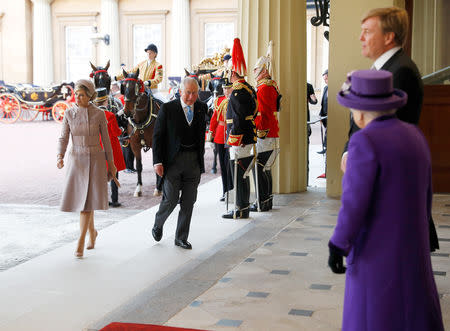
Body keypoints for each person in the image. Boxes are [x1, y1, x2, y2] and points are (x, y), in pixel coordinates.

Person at [328, 69, 444, 331]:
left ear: (359, 112)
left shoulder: (363, 141)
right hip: (413, 249)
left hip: (375, 253)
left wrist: (338, 243)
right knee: (411, 315)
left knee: (375, 317)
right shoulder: (415, 135)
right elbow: (427, 194)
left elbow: (354, 203)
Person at [340, 6, 438, 252]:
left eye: (367, 31)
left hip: (390, 183)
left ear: (388, 36)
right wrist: (347, 152)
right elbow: (361, 121)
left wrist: (356, 154)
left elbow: (386, 130)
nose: (361, 38)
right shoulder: (382, 69)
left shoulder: (400, 70)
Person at [57, 79, 117, 258]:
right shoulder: (68, 113)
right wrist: (59, 156)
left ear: (90, 96)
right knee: (85, 201)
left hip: (95, 160)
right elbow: (63, 138)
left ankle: (80, 242)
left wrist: (111, 164)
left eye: (82, 95)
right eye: (76, 94)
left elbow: (106, 141)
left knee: (86, 203)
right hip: (76, 160)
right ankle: (92, 232)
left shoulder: (99, 114)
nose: (77, 98)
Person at [150, 77, 207, 250]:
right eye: (188, 93)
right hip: (173, 161)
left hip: (193, 162)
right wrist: (157, 161)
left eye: (194, 93)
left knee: (189, 202)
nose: (191, 97)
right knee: (171, 199)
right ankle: (158, 224)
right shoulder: (168, 109)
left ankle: (181, 237)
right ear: (180, 91)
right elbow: (157, 137)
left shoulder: (201, 108)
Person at [222, 38, 257, 219]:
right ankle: (243, 206)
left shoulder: (237, 92)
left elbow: (237, 119)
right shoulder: (248, 88)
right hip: (247, 136)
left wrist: (236, 139)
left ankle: (241, 208)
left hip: (239, 139)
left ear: (233, 73)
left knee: (239, 173)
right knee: (243, 173)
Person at [250, 40, 280, 212]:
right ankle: (267, 200)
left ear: (262, 70)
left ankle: (262, 201)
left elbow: (261, 113)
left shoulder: (263, 88)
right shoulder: (269, 85)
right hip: (270, 131)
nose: (254, 72)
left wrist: (256, 130)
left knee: (259, 168)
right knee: (265, 168)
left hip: (264, 132)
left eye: (256, 70)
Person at [94, 88, 126, 207]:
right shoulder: (110, 115)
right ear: (106, 101)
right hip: (111, 148)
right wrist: (122, 129)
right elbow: (116, 132)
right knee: (114, 174)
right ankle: (115, 199)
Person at [207, 78, 234, 201]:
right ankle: (225, 191)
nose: (226, 90)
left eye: (228, 88)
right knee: (223, 166)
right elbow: (214, 118)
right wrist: (210, 134)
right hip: (220, 135)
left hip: (232, 135)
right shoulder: (219, 100)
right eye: (225, 88)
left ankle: (232, 190)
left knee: (230, 165)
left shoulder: (235, 99)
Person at [317, 69, 328, 155]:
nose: (325, 81)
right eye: (324, 79)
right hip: (324, 114)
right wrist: (320, 114)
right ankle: (325, 148)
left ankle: (326, 148)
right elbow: (323, 102)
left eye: (326, 79)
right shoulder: (325, 88)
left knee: (328, 132)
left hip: (330, 115)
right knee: (326, 132)